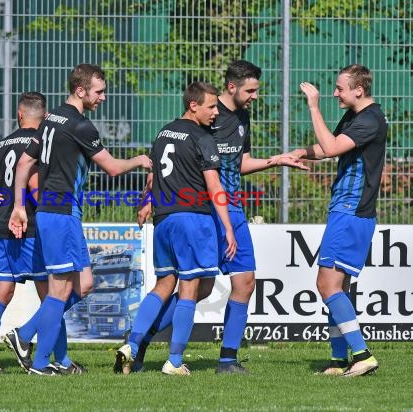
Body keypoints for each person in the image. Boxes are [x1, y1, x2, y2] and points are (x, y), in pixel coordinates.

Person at [133, 60, 307, 374]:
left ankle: (227, 359)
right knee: (198, 288)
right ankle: (141, 342)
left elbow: (241, 162)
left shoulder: (242, 117)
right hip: (201, 210)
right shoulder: (206, 115)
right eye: (250, 90)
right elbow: (167, 163)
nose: (255, 96)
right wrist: (148, 198)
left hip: (232, 207)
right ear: (231, 87)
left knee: (245, 282)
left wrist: (275, 160)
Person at [9, 63, 151, 375]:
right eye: (99, 91)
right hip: (61, 214)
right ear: (80, 90)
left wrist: (20, 206)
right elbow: (112, 168)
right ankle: (38, 359)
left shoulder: (50, 119)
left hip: (53, 213)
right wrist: (140, 160)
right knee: (59, 292)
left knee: (83, 284)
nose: (103, 97)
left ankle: (27, 335)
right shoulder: (80, 125)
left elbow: (23, 164)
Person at [115, 82, 237, 375]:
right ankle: (175, 360)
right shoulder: (202, 138)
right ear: (193, 106)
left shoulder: (163, 133)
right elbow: (214, 185)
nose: (216, 112)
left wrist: (146, 203)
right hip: (192, 218)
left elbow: (152, 177)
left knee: (167, 284)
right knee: (190, 288)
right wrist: (228, 227)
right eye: (211, 106)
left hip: (165, 219)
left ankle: (132, 343)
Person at [286, 65, 386, 377]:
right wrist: (300, 152)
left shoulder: (370, 119)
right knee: (338, 286)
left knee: (325, 284)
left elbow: (330, 147)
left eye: (340, 88)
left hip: (351, 210)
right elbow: (331, 147)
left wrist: (314, 106)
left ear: (359, 90)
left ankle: (363, 354)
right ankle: (339, 359)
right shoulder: (357, 116)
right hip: (347, 209)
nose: (334, 93)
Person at [0, 92, 49, 373]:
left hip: (2, 224)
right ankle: (56, 360)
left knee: (2, 290)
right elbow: (35, 185)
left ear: (19, 113)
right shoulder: (38, 144)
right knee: (53, 294)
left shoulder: (3, 143)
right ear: (45, 117)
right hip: (28, 225)